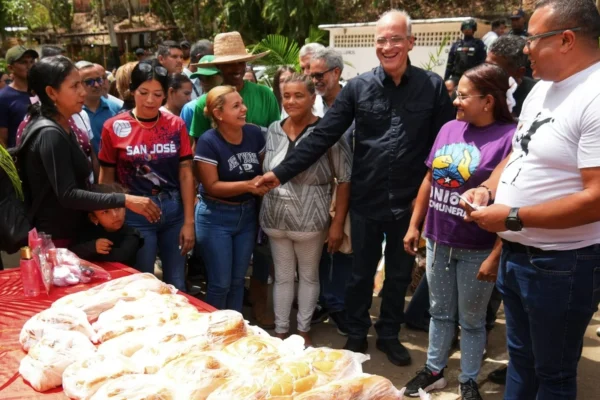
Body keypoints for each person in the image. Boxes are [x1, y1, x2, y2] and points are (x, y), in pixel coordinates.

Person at [257, 9, 455, 365]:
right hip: (366, 198)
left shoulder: (433, 87)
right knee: (360, 274)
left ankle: (389, 334)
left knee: (398, 274)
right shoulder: (359, 88)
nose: (388, 46)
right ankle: (357, 332)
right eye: (381, 40)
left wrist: (434, 202)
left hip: (409, 202)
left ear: (411, 42)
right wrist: (280, 173)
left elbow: (445, 145)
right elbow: (323, 135)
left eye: (395, 39)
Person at [462, 1, 600, 398]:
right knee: (520, 360)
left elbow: (596, 198)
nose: (524, 49)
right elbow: (519, 152)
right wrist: (488, 188)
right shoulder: (542, 89)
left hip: (562, 263)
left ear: (566, 39)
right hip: (519, 254)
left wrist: (513, 217)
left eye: (532, 39)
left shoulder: (594, 96)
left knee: (553, 373)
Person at [402, 63, 516, 399]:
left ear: (488, 101)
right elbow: (429, 178)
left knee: (472, 320)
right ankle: (434, 370)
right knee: (438, 312)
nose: (456, 101)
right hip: (438, 240)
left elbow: (513, 198)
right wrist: (415, 225)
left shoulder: (510, 138)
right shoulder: (449, 128)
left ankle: (468, 379)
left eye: (464, 96)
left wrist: (495, 255)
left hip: (477, 247)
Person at [19, 56, 160, 247]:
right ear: (51, 92)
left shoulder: (63, 125)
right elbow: (68, 194)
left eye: (81, 84)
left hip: (72, 231)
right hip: (56, 240)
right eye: (74, 86)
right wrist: (124, 199)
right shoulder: (49, 133)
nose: (83, 92)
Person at [261, 74, 352, 346]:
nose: (291, 101)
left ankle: (303, 331)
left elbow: (345, 179)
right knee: (282, 276)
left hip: (311, 219)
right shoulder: (273, 129)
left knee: (309, 276)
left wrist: (337, 224)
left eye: (298, 95)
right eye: (286, 96)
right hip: (275, 217)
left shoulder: (327, 132)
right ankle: (280, 332)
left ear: (313, 98)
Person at [98, 60, 196, 291]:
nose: (150, 100)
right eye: (143, 93)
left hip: (173, 210)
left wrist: (189, 222)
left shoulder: (176, 125)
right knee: (142, 283)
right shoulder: (114, 126)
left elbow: (185, 174)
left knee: (177, 283)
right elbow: (106, 175)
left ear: (165, 95)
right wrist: (106, 215)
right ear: (132, 91)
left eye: (157, 94)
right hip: (135, 211)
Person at [193, 85, 268, 312]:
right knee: (220, 284)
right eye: (236, 106)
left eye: (242, 103)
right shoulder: (208, 141)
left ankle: (235, 327)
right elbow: (212, 186)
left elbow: (263, 169)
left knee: (237, 282)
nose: (244, 109)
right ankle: (215, 328)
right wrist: (248, 185)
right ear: (218, 113)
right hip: (215, 217)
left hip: (246, 215)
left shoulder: (254, 134)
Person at [308, 47, 354, 334]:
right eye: (311, 76)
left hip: (348, 187)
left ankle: (338, 304)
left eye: (319, 75)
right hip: (315, 189)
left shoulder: (356, 102)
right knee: (320, 249)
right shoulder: (311, 104)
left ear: (336, 72)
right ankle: (324, 300)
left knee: (343, 244)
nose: (315, 81)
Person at [189, 32, 280, 141]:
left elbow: (277, 136)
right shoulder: (205, 102)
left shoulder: (264, 94)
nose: (237, 68)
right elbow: (199, 145)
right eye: (230, 64)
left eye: (241, 62)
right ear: (218, 66)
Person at [70, 183, 144, 267]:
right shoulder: (87, 232)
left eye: (117, 208)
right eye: (106, 211)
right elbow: (71, 252)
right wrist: (92, 247)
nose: (115, 215)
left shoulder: (132, 234)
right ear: (94, 218)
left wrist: (92, 252)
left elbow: (121, 257)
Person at [487, 35, 537, 118]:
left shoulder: (535, 96)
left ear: (519, 72)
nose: (487, 72)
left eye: (496, 69)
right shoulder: (480, 87)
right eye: (486, 65)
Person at [77, 61, 121, 154]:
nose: (96, 85)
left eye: (99, 80)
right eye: (89, 82)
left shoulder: (117, 107)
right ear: (78, 84)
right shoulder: (73, 113)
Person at [0, 45, 38, 148]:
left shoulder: (41, 91)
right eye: (23, 62)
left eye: (32, 61)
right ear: (10, 68)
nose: (29, 66)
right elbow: (2, 140)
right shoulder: (4, 98)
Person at [181, 55, 222, 132]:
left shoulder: (234, 100)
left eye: (210, 77)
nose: (205, 81)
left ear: (221, 76)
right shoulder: (190, 108)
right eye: (201, 77)